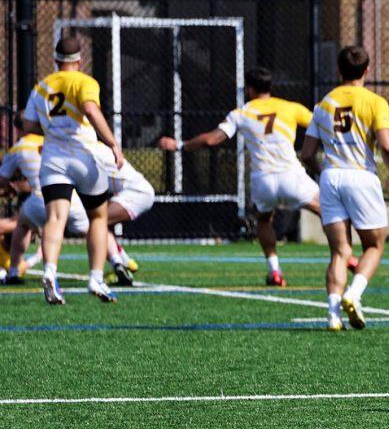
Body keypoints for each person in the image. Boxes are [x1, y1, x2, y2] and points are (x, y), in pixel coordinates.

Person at [160, 67, 320, 287]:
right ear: (270, 87)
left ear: (250, 90)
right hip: (291, 175)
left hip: (262, 179)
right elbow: (319, 126)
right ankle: (345, 256)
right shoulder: (291, 107)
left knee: (264, 220)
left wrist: (179, 145)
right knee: (328, 210)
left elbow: (211, 140)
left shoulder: (241, 113)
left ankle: (275, 271)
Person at [300, 45, 389, 331]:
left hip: (331, 177)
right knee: (373, 245)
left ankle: (333, 316)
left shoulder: (323, 103)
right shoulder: (374, 101)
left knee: (340, 252)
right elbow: (387, 146)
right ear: (367, 71)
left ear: (338, 70)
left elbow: (307, 154)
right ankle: (353, 294)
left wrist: (324, 174)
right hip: (361, 177)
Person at [21, 33, 124, 305]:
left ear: (56, 60)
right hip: (83, 157)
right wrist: (112, 143)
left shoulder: (42, 86)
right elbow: (90, 109)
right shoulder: (84, 81)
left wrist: (50, 127)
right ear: (80, 60)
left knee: (55, 219)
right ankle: (95, 278)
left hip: (53, 159)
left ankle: (50, 272)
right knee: (99, 218)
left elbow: (28, 126)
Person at [1, 130, 89, 285]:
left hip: (42, 198)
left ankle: (17, 271)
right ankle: (118, 260)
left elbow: (3, 179)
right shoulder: (57, 142)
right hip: (72, 199)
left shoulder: (20, 147)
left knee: (23, 222)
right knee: (94, 229)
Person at [103, 157, 157, 286]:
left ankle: (120, 263)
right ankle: (124, 262)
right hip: (132, 192)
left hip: (137, 194)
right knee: (95, 224)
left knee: (93, 225)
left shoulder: (86, 152)